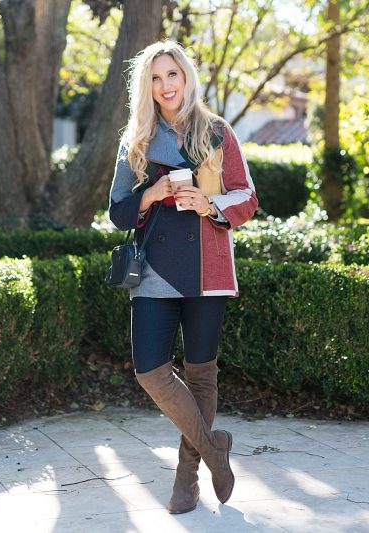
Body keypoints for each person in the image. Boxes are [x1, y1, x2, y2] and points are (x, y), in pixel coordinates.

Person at [108, 40, 258, 514]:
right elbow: (117, 210)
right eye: (155, 77)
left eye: (172, 75)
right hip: (153, 268)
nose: (165, 85)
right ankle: (216, 451)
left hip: (208, 269)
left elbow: (247, 197)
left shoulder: (216, 132)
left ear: (186, 78)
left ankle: (187, 478)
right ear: (146, 86)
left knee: (200, 374)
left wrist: (208, 204)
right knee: (150, 371)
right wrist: (151, 194)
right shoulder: (137, 139)